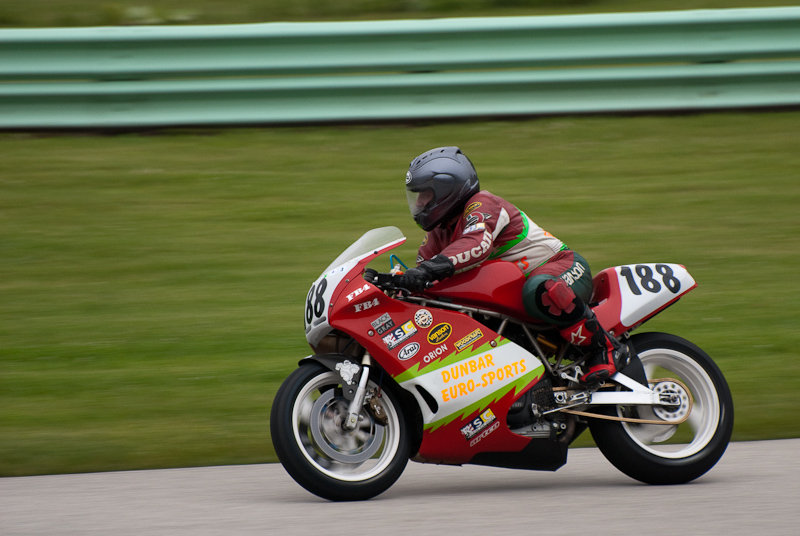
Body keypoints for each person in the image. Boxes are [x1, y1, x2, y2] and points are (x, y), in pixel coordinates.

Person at [397, 146, 626, 384]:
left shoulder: (482, 204)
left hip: (563, 268)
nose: (420, 203)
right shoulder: (438, 233)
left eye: (426, 194)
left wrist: (427, 270)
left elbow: (476, 244)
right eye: (417, 196)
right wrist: (394, 282)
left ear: (447, 190)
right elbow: (425, 279)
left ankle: (605, 348)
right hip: (515, 291)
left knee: (540, 289)